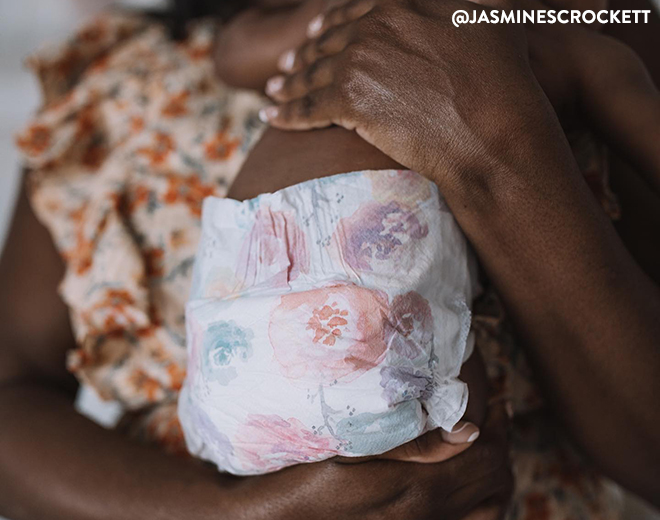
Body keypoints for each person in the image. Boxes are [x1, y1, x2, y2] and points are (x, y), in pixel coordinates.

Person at [0, 0, 658, 517]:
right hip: (243, 434)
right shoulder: (123, 83)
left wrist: (504, 144)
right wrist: (232, 516)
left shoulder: (563, 29)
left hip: (411, 420)